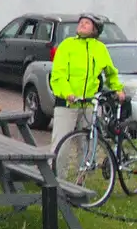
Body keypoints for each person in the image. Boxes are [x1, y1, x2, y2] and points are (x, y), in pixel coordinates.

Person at [48, 13, 125, 151]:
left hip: (89, 105)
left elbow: (111, 73)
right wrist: (67, 93)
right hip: (67, 104)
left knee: (87, 147)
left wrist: (118, 89)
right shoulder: (67, 45)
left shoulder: (100, 48)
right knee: (60, 147)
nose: (82, 24)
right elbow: (58, 75)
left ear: (95, 30)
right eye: (81, 22)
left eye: (87, 23)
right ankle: (56, 173)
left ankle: (84, 173)